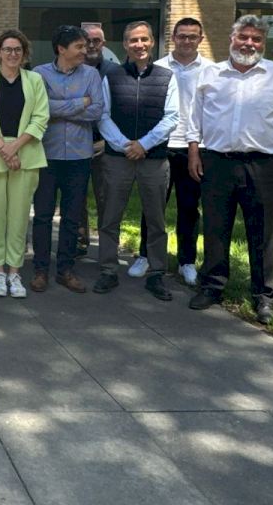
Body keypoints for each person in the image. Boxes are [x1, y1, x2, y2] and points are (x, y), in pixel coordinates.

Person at [187, 15, 273, 324]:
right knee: (215, 228)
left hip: (263, 165)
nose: (249, 44)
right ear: (232, 39)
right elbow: (194, 117)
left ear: (263, 43)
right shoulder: (210, 74)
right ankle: (212, 286)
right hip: (217, 162)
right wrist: (194, 151)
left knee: (262, 232)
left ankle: (264, 296)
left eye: (256, 39)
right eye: (244, 37)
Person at [93, 21, 179, 301]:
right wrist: (124, 145)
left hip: (154, 159)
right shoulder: (112, 76)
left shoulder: (167, 77)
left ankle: (156, 273)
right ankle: (108, 270)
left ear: (152, 42)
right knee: (110, 217)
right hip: (117, 159)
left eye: (144, 39)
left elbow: (172, 117)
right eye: (133, 40)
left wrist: (144, 144)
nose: (139, 45)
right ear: (125, 45)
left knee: (156, 219)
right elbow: (103, 115)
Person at [129, 17, 213, 286]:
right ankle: (146, 255)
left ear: (200, 39)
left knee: (189, 207)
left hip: (194, 149)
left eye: (192, 36)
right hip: (160, 146)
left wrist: (199, 146)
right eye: (182, 36)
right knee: (153, 206)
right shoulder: (158, 68)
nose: (186, 41)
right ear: (173, 38)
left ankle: (187, 261)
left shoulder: (212, 71)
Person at [0, 29, 49, 299]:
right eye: (7, 49)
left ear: (24, 53)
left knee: (18, 217)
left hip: (26, 155)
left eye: (17, 49)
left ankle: (14, 272)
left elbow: (40, 118)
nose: (12, 54)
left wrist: (15, 147)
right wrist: (4, 148)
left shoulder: (35, 80)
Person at [31, 25, 103, 294]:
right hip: (46, 155)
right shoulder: (39, 74)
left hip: (78, 157)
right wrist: (79, 102)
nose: (86, 50)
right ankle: (40, 269)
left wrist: (58, 109)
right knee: (42, 215)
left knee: (72, 217)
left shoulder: (91, 74)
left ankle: (65, 270)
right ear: (62, 49)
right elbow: (39, 109)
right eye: (80, 46)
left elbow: (97, 110)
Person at [77, 22, 122, 255]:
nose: (92, 45)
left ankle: (108, 251)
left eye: (96, 41)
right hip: (75, 142)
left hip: (105, 146)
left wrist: (108, 141)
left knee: (107, 200)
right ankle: (78, 242)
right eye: (87, 41)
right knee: (76, 198)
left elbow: (122, 110)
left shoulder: (115, 72)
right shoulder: (71, 69)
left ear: (104, 44)